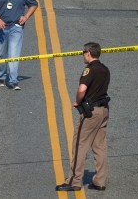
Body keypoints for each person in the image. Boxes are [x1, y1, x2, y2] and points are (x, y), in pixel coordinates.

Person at [56, 42, 110, 192]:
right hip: (104, 110)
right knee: (100, 146)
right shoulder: (105, 69)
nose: (82, 55)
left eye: (83, 52)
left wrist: (78, 102)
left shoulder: (90, 70)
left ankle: (74, 181)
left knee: (79, 145)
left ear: (88, 53)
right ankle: (100, 181)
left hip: (91, 112)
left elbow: (82, 90)